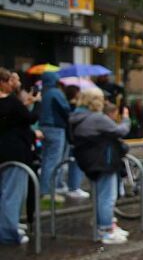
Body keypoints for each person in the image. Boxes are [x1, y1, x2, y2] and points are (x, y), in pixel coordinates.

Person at [69, 88, 130, 245]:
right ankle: (106, 229)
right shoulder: (96, 118)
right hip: (103, 161)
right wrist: (126, 119)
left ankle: (104, 226)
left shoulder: (78, 116)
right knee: (107, 197)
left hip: (90, 161)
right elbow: (120, 131)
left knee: (100, 195)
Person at [0, 69, 39, 245]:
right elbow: (29, 118)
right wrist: (35, 103)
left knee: (6, 191)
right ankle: (8, 231)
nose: (11, 84)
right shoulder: (12, 103)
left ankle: (8, 224)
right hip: (15, 151)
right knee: (13, 192)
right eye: (9, 81)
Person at [37, 70, 71, 206]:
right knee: (54, 161)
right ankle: (49, 192)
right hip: (55, 128)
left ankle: (45, 190)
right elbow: (66, 109)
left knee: (46, 160)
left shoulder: (43, 92)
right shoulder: (56, 93)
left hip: (44, 127)